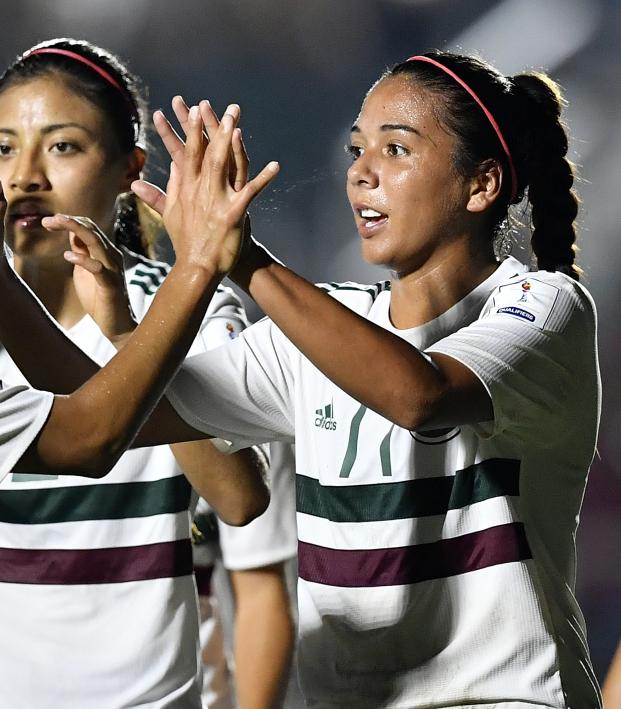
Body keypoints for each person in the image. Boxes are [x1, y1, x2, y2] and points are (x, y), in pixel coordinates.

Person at [6, 50, 602, 708]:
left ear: (481, 184)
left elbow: (419, 396)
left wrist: (238, 259)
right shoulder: (322, 326)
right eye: (355, 149)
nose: (361, 173)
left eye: (395, 150)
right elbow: (102, 418)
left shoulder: (543, 306)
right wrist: (113, 321)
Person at [0, 38, 295, 709]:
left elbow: (245, 515)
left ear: (129, 166)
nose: (24, 176)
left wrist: (130, 331)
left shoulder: (190, 308)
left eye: (63, 146)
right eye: (3, 148)